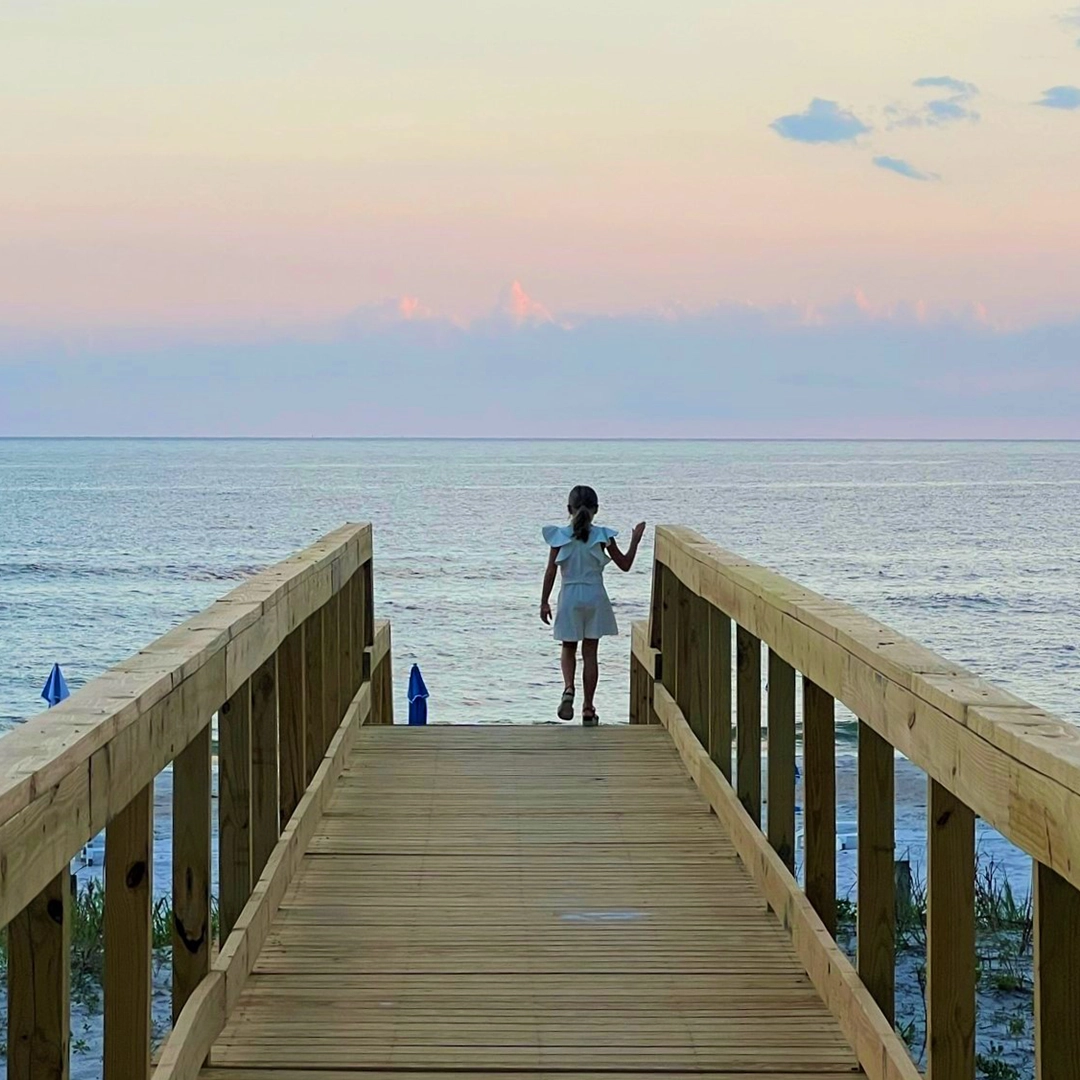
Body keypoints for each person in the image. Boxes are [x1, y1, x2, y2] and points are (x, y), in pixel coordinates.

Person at [540, 485, 646, 725]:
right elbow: (625, 564)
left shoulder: (559, 536)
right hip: (595, 595)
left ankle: (568, 688)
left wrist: (544, 601)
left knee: (569, 647)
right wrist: (635, 541)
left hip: (569, 594)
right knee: (590, 653)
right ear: (596, 509)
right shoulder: (603, 536)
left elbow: (550, 571)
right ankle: (588, 707)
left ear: (569, 508)